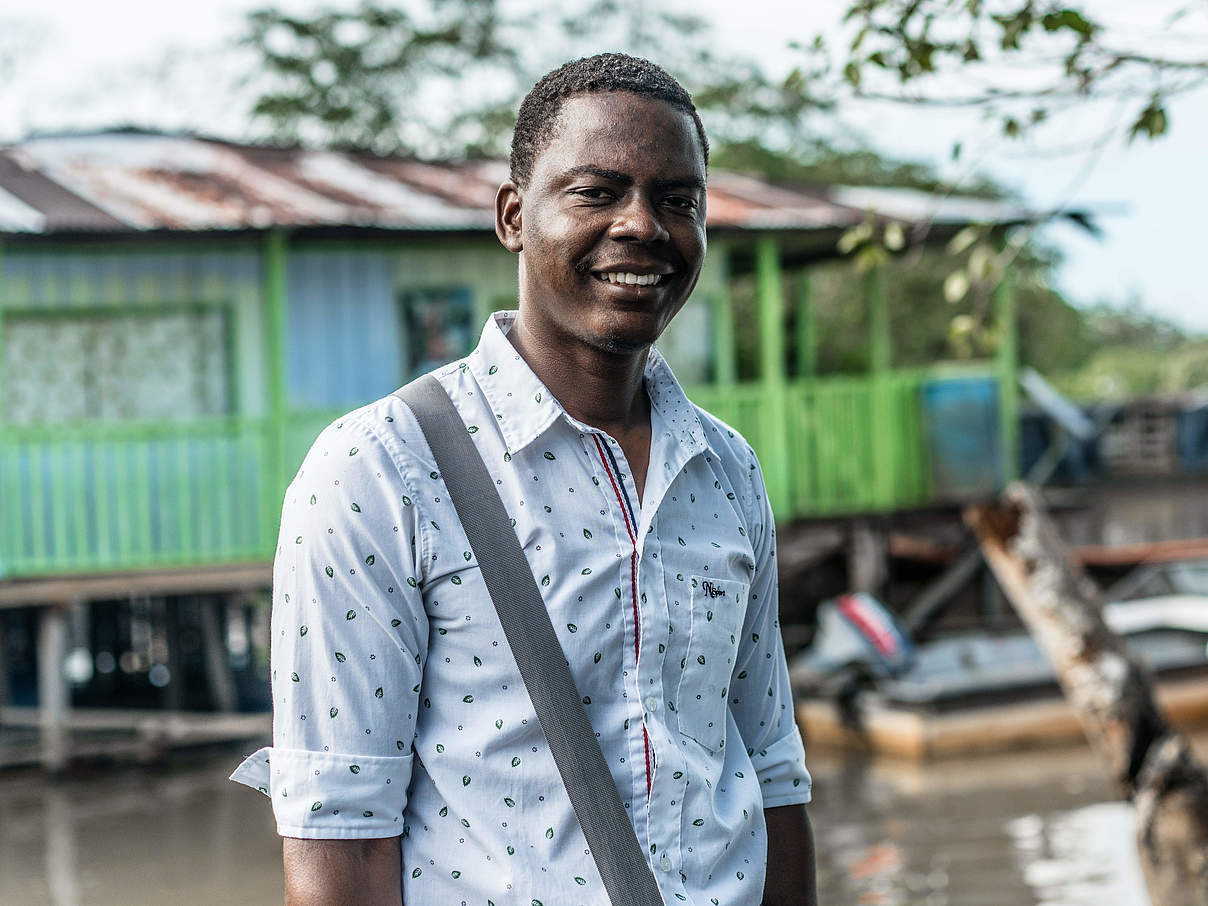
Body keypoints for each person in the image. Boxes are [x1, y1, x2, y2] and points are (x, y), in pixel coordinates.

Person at [231, 52, 817, 906]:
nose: (642, 226)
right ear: (513, 215)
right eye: (596, 192)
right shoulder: (380, 471)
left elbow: (771, 770)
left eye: (677, 200)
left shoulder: (726, 470)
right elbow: (340, 836)